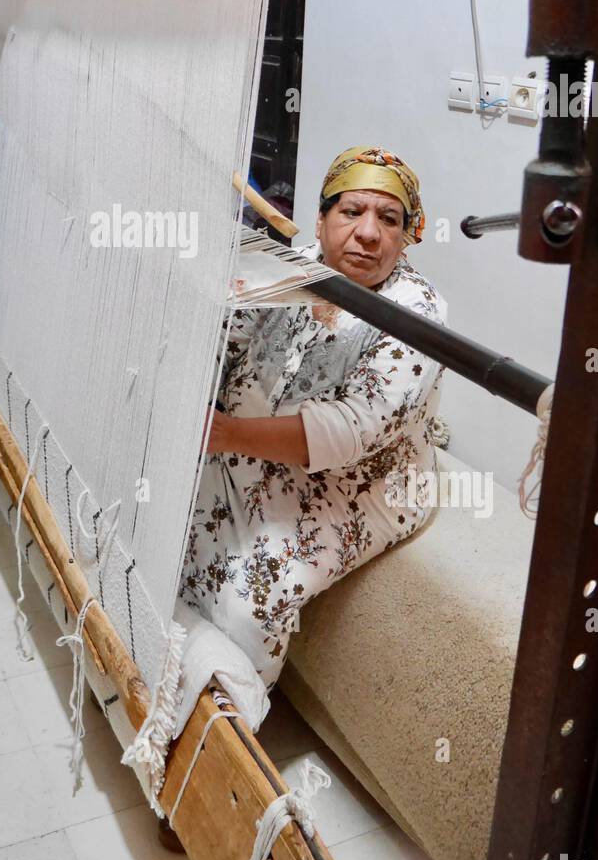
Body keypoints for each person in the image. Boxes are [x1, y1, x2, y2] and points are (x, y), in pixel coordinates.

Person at [179, 146, 447, 687]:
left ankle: (230, 721)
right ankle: (160, 671)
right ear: (321, 221)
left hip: (357, 485)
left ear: (408, 235)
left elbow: (350, 430)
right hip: (240, 445)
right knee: (168, 523)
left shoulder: (420, 314)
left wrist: (224, 433)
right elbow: (226, 334)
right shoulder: (291, 268)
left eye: (388, 219)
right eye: (351, 212)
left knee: (253, 592)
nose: (368, 234)